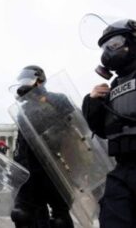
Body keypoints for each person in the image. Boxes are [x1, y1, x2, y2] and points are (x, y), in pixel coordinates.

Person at [82, 18, 136, 228]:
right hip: (122, 168)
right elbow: (103, 131)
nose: (108, 51)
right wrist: (93, 102)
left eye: (115, 43)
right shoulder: (112, 87)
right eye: (106, 47)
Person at [10, 65, 74, 228]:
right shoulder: (22, 109)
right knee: (22, 215)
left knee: (60, 218)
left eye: (27, 80)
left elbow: (72, 129)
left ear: (39, 81)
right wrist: (17, 167)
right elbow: (21, 142)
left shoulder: (58, 99)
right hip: (30, 168)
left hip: (53, 165)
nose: (23, 85)